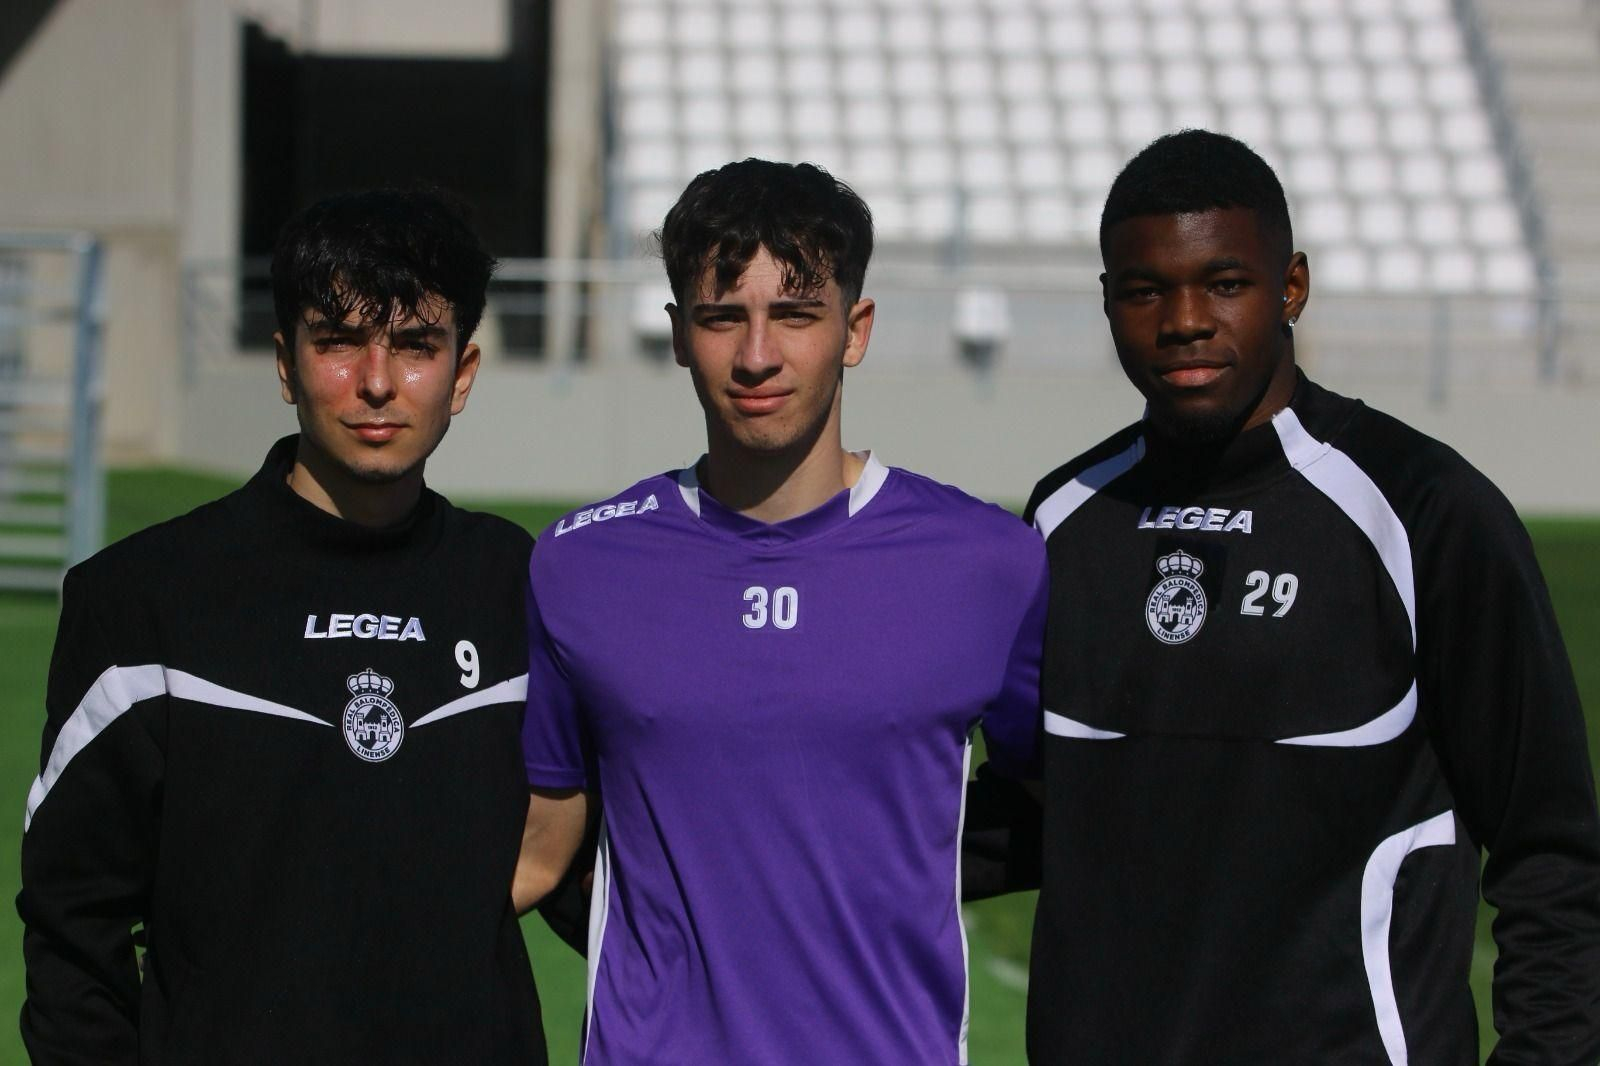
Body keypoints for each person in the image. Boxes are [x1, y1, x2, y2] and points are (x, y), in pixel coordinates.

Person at [1013, 130, 1600, 1062]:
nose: (1185, 320)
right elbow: (1027, 814)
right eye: (1146, 290)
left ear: (1291, 288)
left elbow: (1553, 848)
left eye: (1225, 283)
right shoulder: (1062, 521)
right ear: (1109, 302)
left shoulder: (1424, 510)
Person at [512, 159, 1047, 1064]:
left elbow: (1075, 810)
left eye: (795, 315)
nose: (757, 355)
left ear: (856, 329)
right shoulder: (580, 565)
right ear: (680, 334)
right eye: (724, 317)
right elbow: (538, 849)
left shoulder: (989, 564)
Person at [18, 189, 555, 1063]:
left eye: (416, 346)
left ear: (463, 374)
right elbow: (72, 927)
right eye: (338, 341)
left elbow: (611, 886)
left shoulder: (522, 588)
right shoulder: (143, 598)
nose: (376, 381)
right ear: (284, 363)